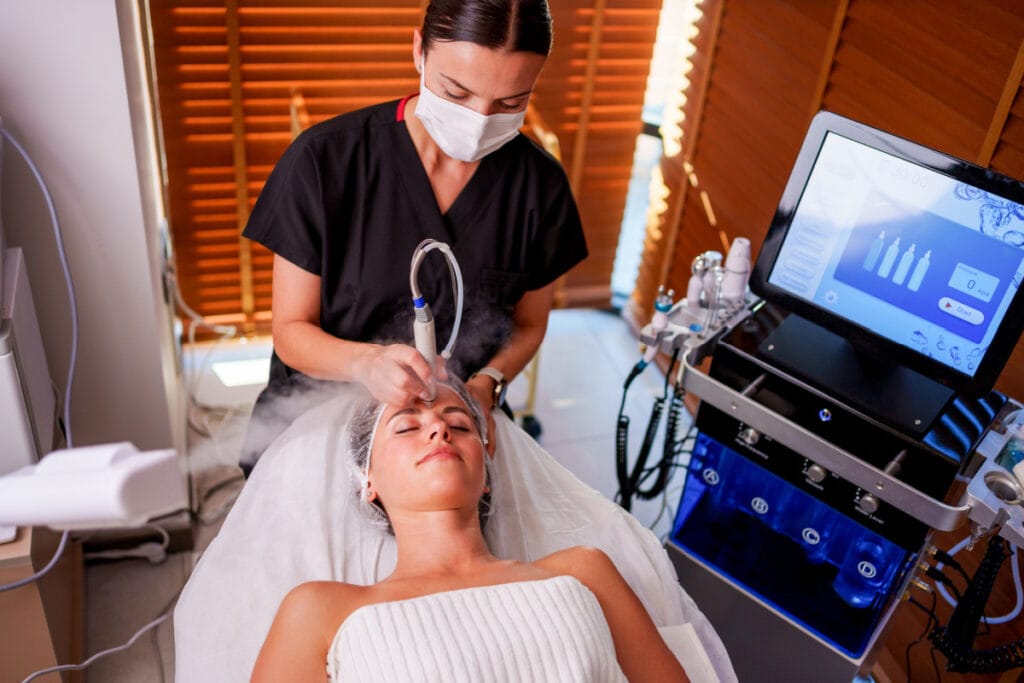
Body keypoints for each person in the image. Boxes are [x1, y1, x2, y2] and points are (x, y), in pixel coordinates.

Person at [239, 0, 587, 474]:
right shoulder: (326, 162)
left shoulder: (538, 187)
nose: (481, 120)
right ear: (419, 51)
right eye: (456, 92)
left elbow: (529, 324)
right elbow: (291, 333)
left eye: (511, 103)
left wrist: (486, 383)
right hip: (317, 420)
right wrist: (365, 365)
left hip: (450, 429)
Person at [250, 379, 689, 681]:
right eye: (407, 426)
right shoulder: (319, 611)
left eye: (459, 425)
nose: (439, 427)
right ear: (368, 481)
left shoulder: (584, 570)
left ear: (487, 477)